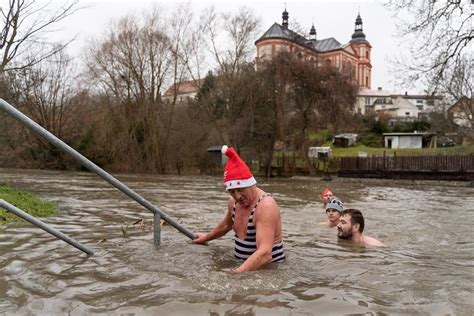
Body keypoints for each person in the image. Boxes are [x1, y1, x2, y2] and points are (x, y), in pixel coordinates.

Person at [192, 145, 285, 272]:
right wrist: (206, 238)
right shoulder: (233, 203)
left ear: (252, 184)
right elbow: (226, 226)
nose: (237, 196)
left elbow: (265, 253)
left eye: (240, 190)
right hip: (243, 266)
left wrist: (236, 274)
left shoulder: (265, 206)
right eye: (232, 192)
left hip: (269, 271)